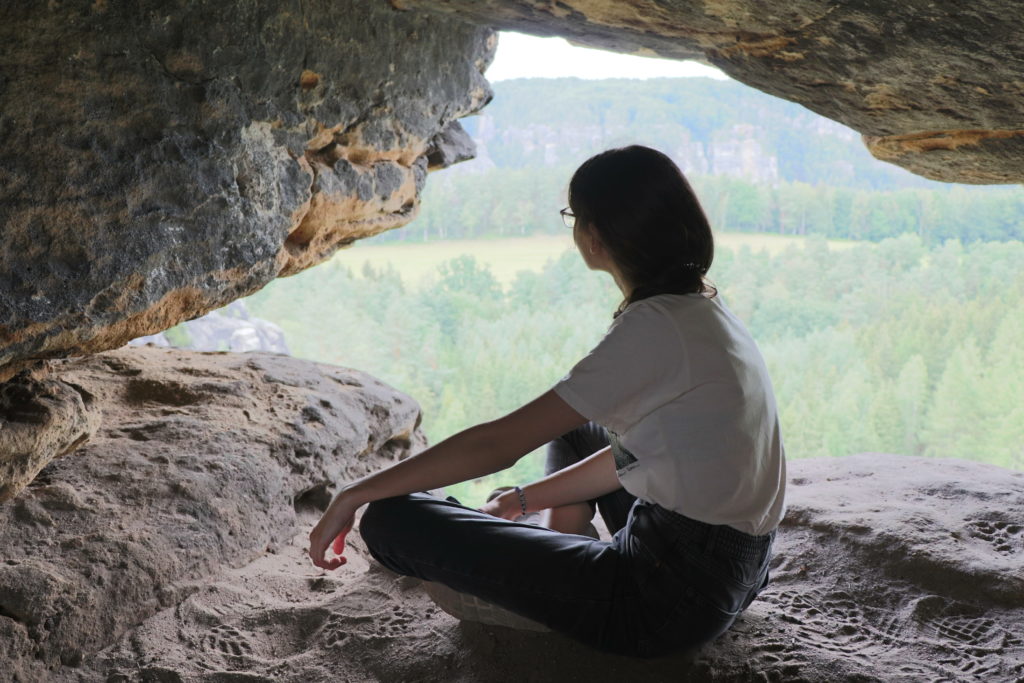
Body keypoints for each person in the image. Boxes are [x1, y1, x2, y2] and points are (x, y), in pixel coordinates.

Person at [307, 145, 786, 658]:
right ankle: (564, 561)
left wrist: (352, 494)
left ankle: (559, 585)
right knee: (581, 431)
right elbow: (643, 452)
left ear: (594, 236)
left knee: (390, 521)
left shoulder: (655, 327)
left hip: (662, 602)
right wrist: (524, 500)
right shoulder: (699, 305)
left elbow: (496, 444)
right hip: (729, 569)